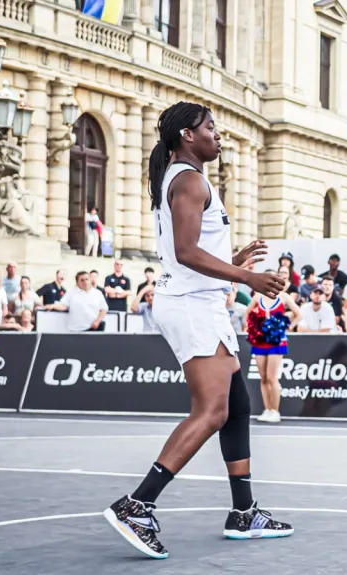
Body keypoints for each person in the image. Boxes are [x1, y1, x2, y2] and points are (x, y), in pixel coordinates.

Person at [104, 102, 292, 560]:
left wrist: (234, 259)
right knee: (211, 411)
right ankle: (138, 503)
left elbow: (189, 247)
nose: (219, 135)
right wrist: (245, 277)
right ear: (188, 135)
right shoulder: (188, 178)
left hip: (197, 302)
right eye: (211, 127)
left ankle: (244, 512)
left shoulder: (185, 176)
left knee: (239, 405)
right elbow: (186, 252)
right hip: (191, 306)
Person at [246, 272, 302, 423]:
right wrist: (253, 326)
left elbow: (298, 314)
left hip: (276, 340)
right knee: (263, 377)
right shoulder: (258, 296)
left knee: (272, 377)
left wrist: (287, 327)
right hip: (260, 340)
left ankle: (275, 410)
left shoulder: (283, 297)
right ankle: (267, 409)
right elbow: (247, 313)